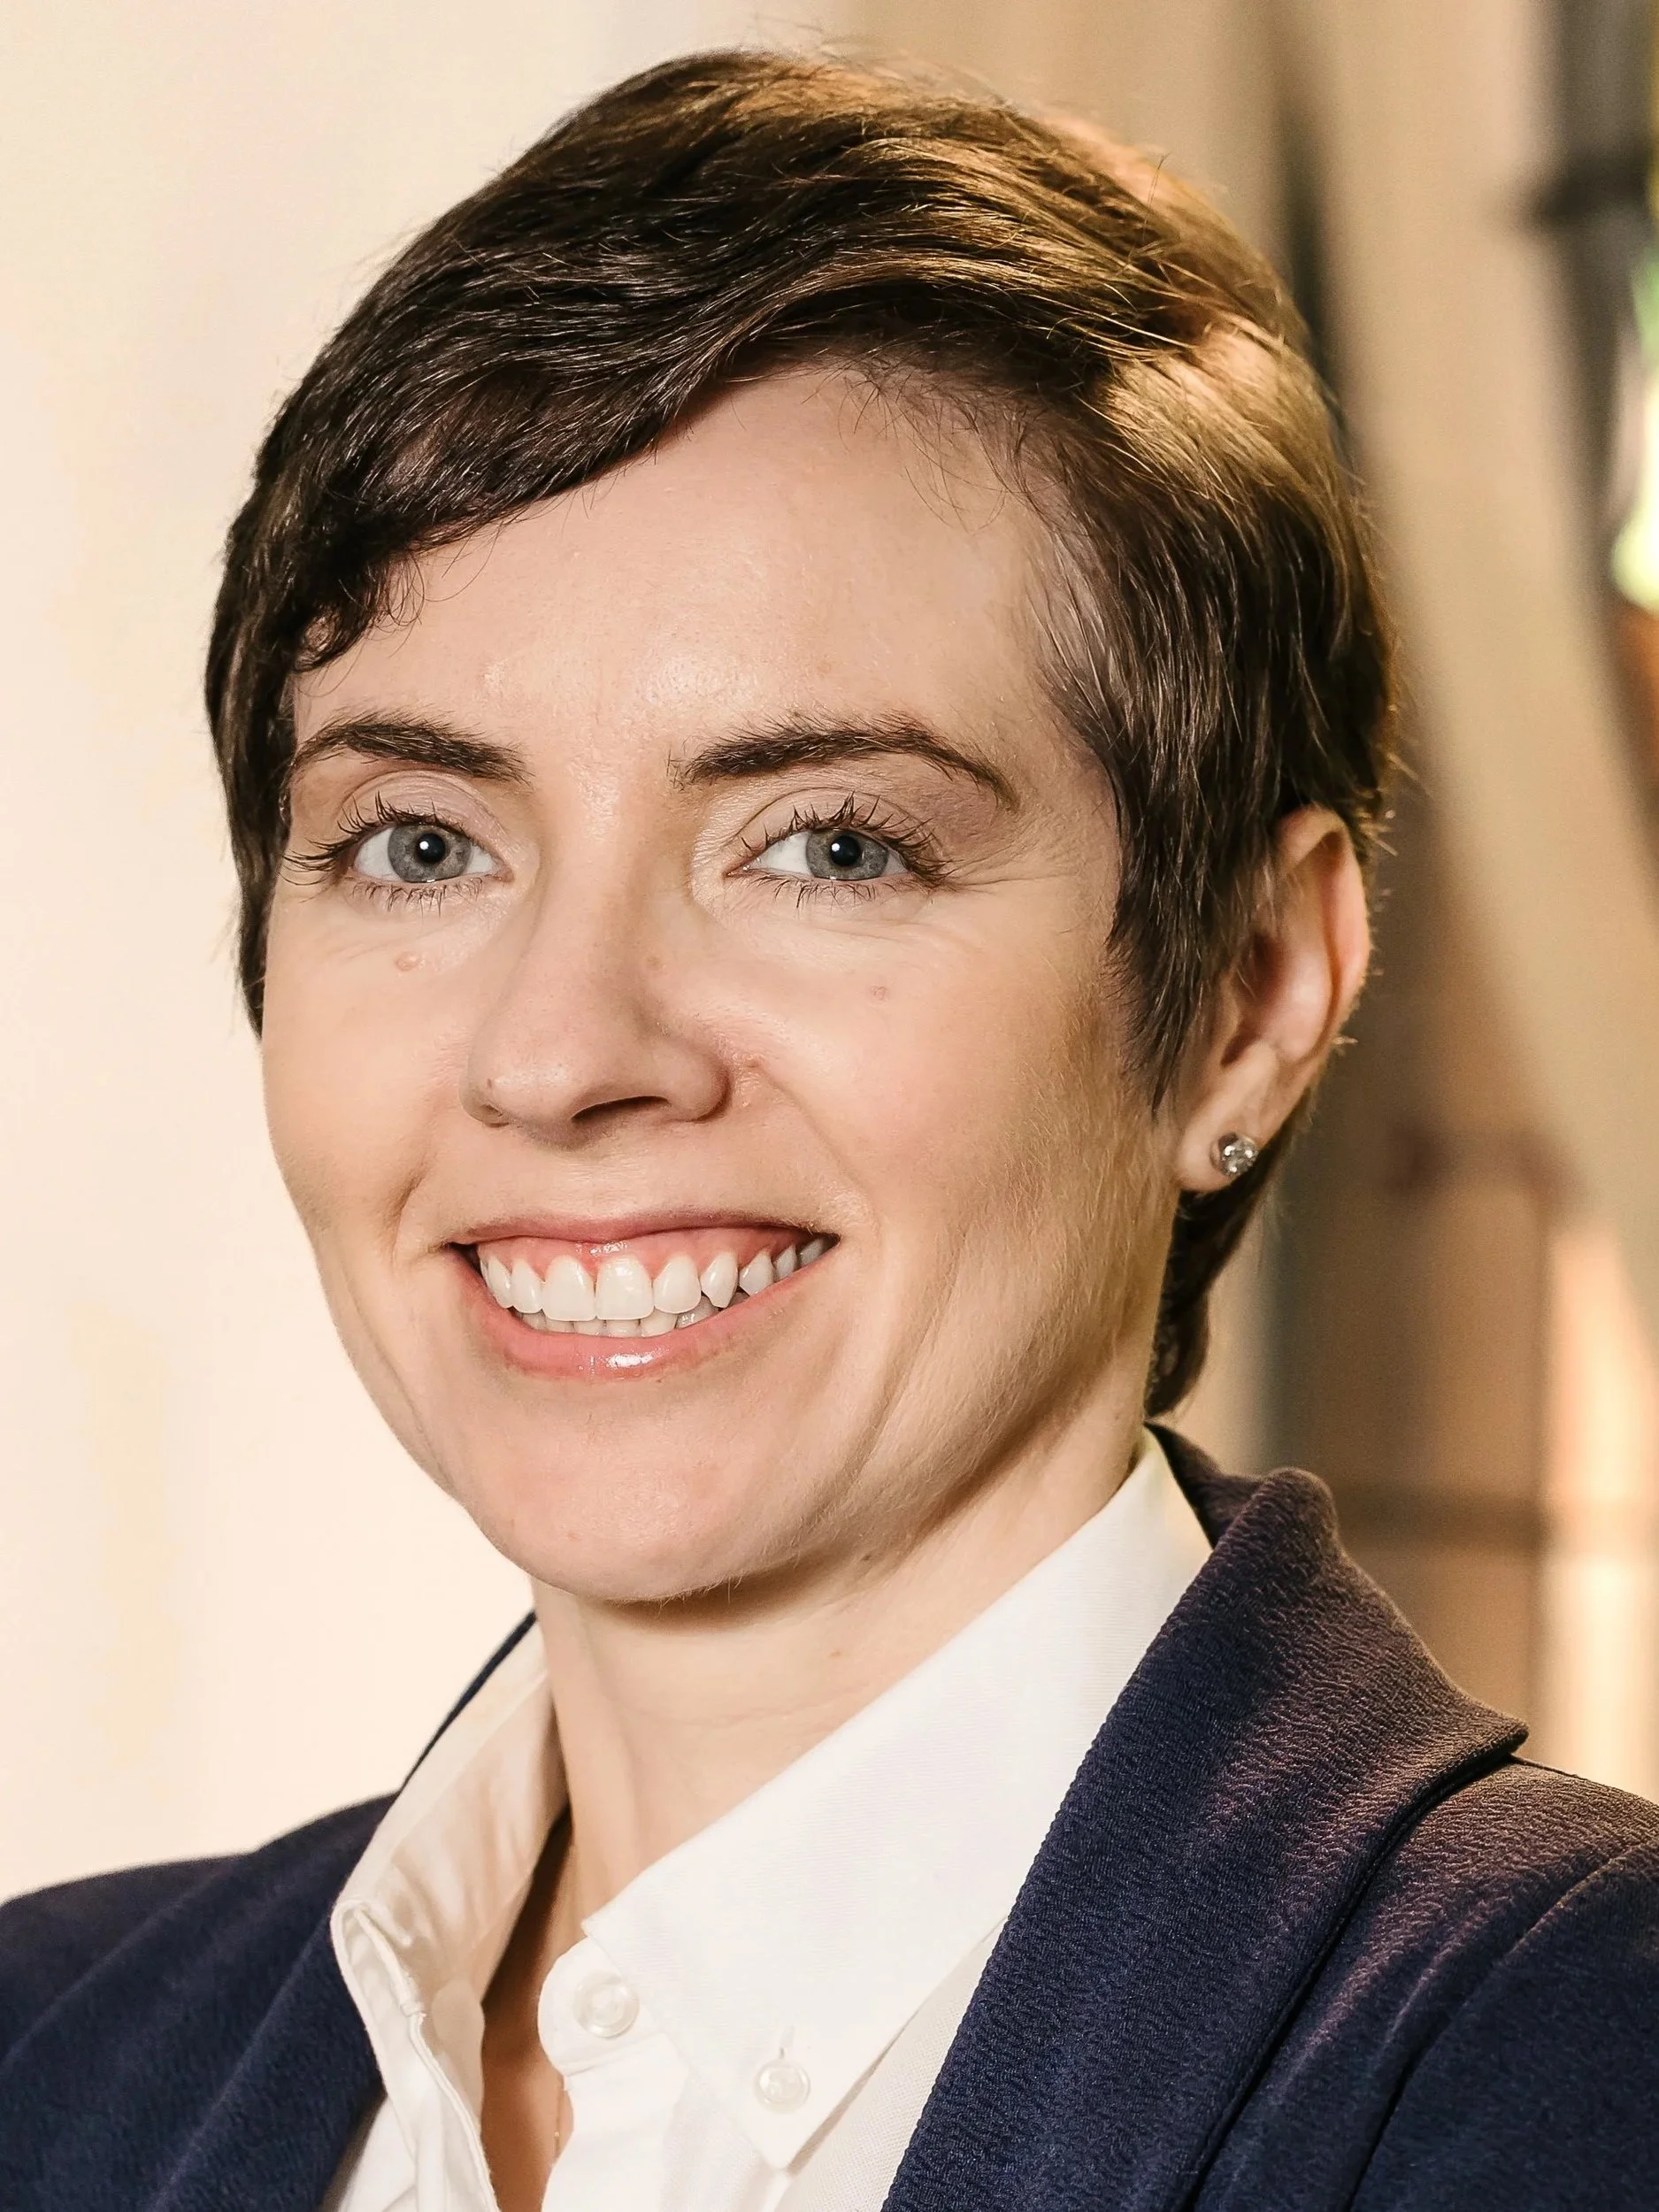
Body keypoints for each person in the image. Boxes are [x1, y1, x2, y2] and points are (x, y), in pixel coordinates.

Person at [3, 46, 1655, 2212]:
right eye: (417, 843)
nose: (559, 1050)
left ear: (1249, 997)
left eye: (829, 846)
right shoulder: (51, 2052)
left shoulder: (1576, 2076)